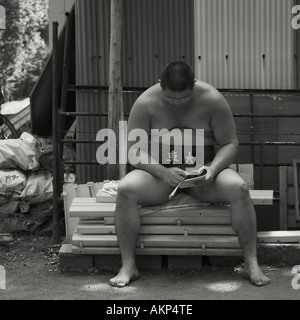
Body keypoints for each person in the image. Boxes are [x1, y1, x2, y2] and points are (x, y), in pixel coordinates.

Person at [109, 61, 270, 288]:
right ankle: (128, 265)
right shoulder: (145, 102)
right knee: (125, 189)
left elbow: (230, 144)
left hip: (203, 172)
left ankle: (251, 263)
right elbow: (134, 151)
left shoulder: (212, 99)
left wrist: (212, 170)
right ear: (160, 85)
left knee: (240, 188)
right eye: (171, 98)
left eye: (183, 98)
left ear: (194, 85)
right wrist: (163, 172)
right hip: (161, 173)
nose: (177, 102)